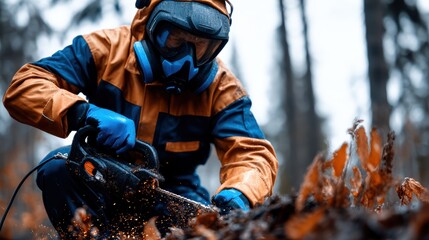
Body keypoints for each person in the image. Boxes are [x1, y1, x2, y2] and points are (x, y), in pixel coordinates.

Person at [3, 0, 278, 238]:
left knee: (208, 227)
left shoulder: (223, 89)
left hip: (175, 191)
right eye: (177, 41)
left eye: (200, 47)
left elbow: (252, 153)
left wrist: (241, 193)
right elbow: (24, 86)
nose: (187, 61)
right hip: (103, 174)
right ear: (152, 25)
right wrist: (84, 113)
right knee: (57, 169)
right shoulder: (105, 50)